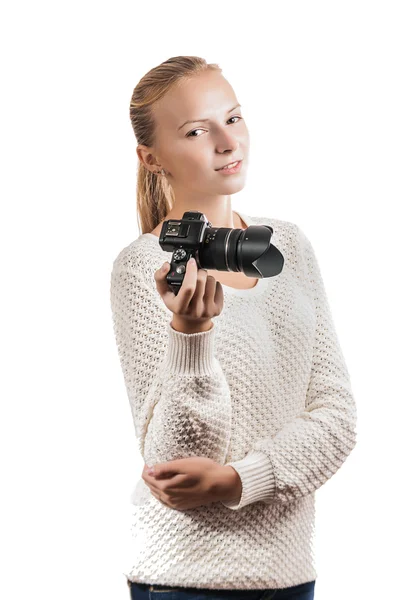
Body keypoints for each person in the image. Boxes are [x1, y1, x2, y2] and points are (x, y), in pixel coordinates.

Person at [109, 56, 358, 600]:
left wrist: (240, 480)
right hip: (184, 581)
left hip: (290, 574)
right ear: (150, 157)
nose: (227, 142)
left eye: (234, 118)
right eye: (198, 130)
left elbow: (337, 418)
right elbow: (172, 461)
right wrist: (191, 336)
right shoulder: (143, 267)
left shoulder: (287, 246)